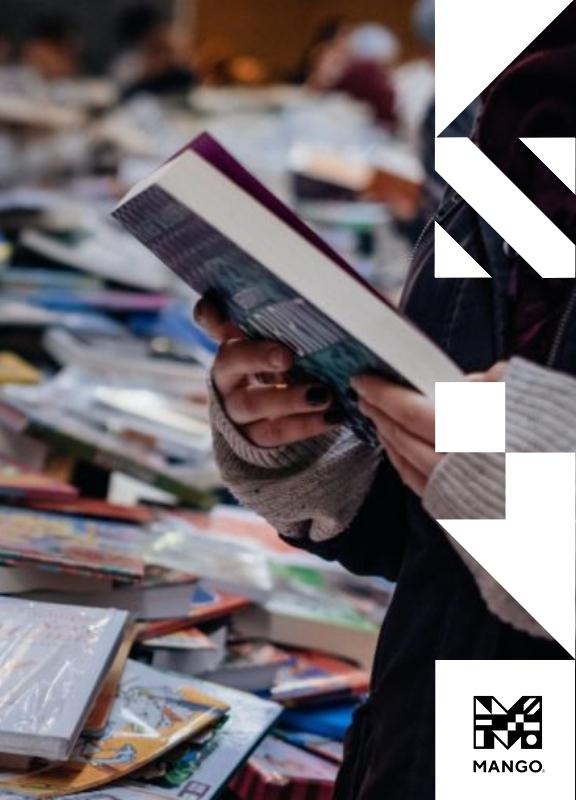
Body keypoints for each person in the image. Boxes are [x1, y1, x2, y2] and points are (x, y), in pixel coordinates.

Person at [194, 8, 574, 798]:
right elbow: (438, 514)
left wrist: (541, 502)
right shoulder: (510, 105)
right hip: (479, 720)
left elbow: (524, 473)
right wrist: (308, 435)